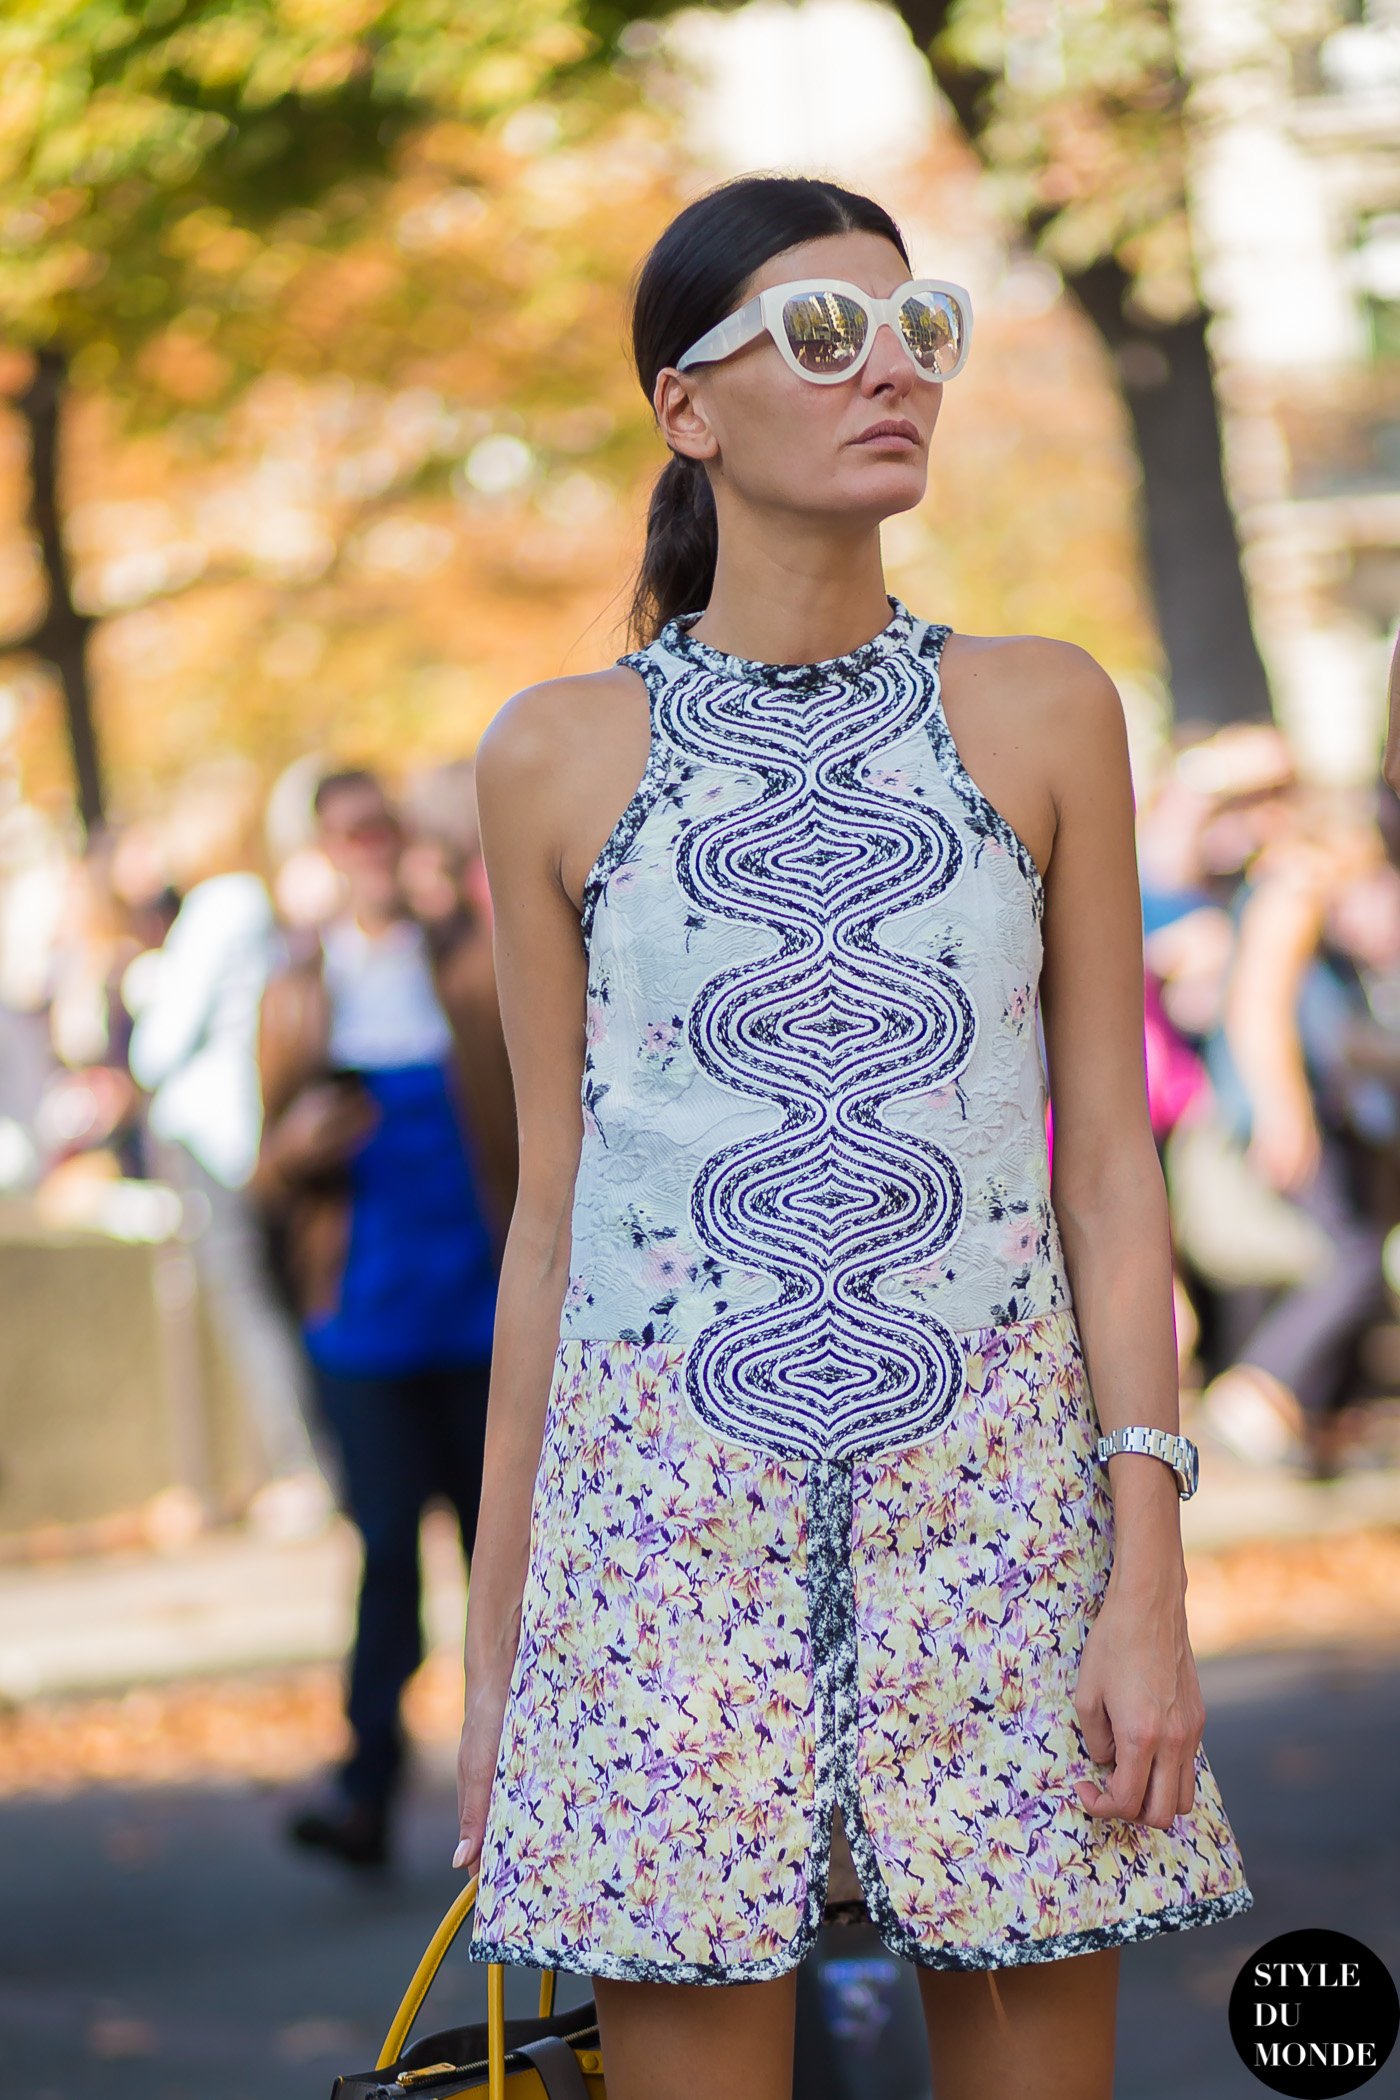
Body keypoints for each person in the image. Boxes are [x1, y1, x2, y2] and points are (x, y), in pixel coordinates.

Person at [451, 175, 1252, 2100]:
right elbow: (555, 1226)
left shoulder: (1046, 711)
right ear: (688, 407)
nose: (891, 369)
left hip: (1004, 1538)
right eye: (821, 335)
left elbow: (1108, 1169)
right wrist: (498, 1668)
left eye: (919, 329)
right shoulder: (552, 754)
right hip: (656, 1560)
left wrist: (1147, 1582)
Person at [254, 766, 516, 1867]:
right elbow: (263, 1172)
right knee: (386, 1558)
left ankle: (519, 1789)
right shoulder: (298, 990)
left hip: (480, 1310)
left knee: (496, 1552)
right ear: (319, 851)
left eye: (378, 830)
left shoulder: (466, 966)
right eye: (343, 834)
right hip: (362, 1320)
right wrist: (299, 1146)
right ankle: (365, 1790)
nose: (364, 850)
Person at [126, 762, 327, 1525]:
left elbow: (156, 1047)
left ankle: (303, 1472)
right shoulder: (255, 903)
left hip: (212, 1137)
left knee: (250, 1310)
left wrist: (148, 990)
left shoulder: (218, 905)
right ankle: (295, 1467)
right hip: (248, 1130)